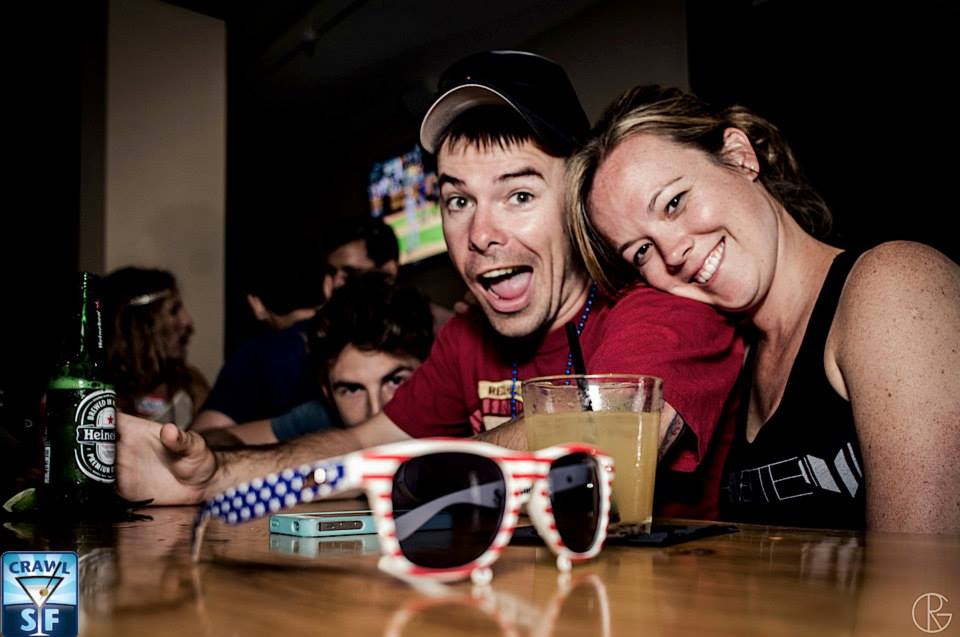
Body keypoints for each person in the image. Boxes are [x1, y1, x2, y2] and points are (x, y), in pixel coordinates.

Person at [117, 51, 744, 515]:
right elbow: (360, 443)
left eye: (519, 194)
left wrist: (388, 474)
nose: (481, 234)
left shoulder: (662, 306)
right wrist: (214, 475)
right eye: (458, 200)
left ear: (579, 200)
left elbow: (599, 441)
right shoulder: (468, 339)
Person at [568, 85, 960, 533]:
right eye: (641, 251)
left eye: (674, 202)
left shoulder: (895, 282)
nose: (672, 252)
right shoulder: (740, 357)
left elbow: (921, 571)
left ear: (739, 157)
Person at [215, 271, 434, 444]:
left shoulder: (451, 407)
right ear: (327, 393)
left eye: (396, 381)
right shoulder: (324, 415)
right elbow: (219, 440)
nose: (375, 411)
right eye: (352, 390)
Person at [189, 260, 333, 431]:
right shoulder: (348, 339)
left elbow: (207, 433)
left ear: (256, 304)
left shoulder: (256, 356)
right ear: (327, 286)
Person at [103, 267, 210, 429]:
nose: (188, 322)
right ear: (139, 325)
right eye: (174, 311)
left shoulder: (191, 385)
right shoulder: (98, 393)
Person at [324, 217, 454, 331]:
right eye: (332, 272)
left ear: (388, 271)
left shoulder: (443, 331)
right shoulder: (332, 329)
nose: (335, 284)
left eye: (351, 273)